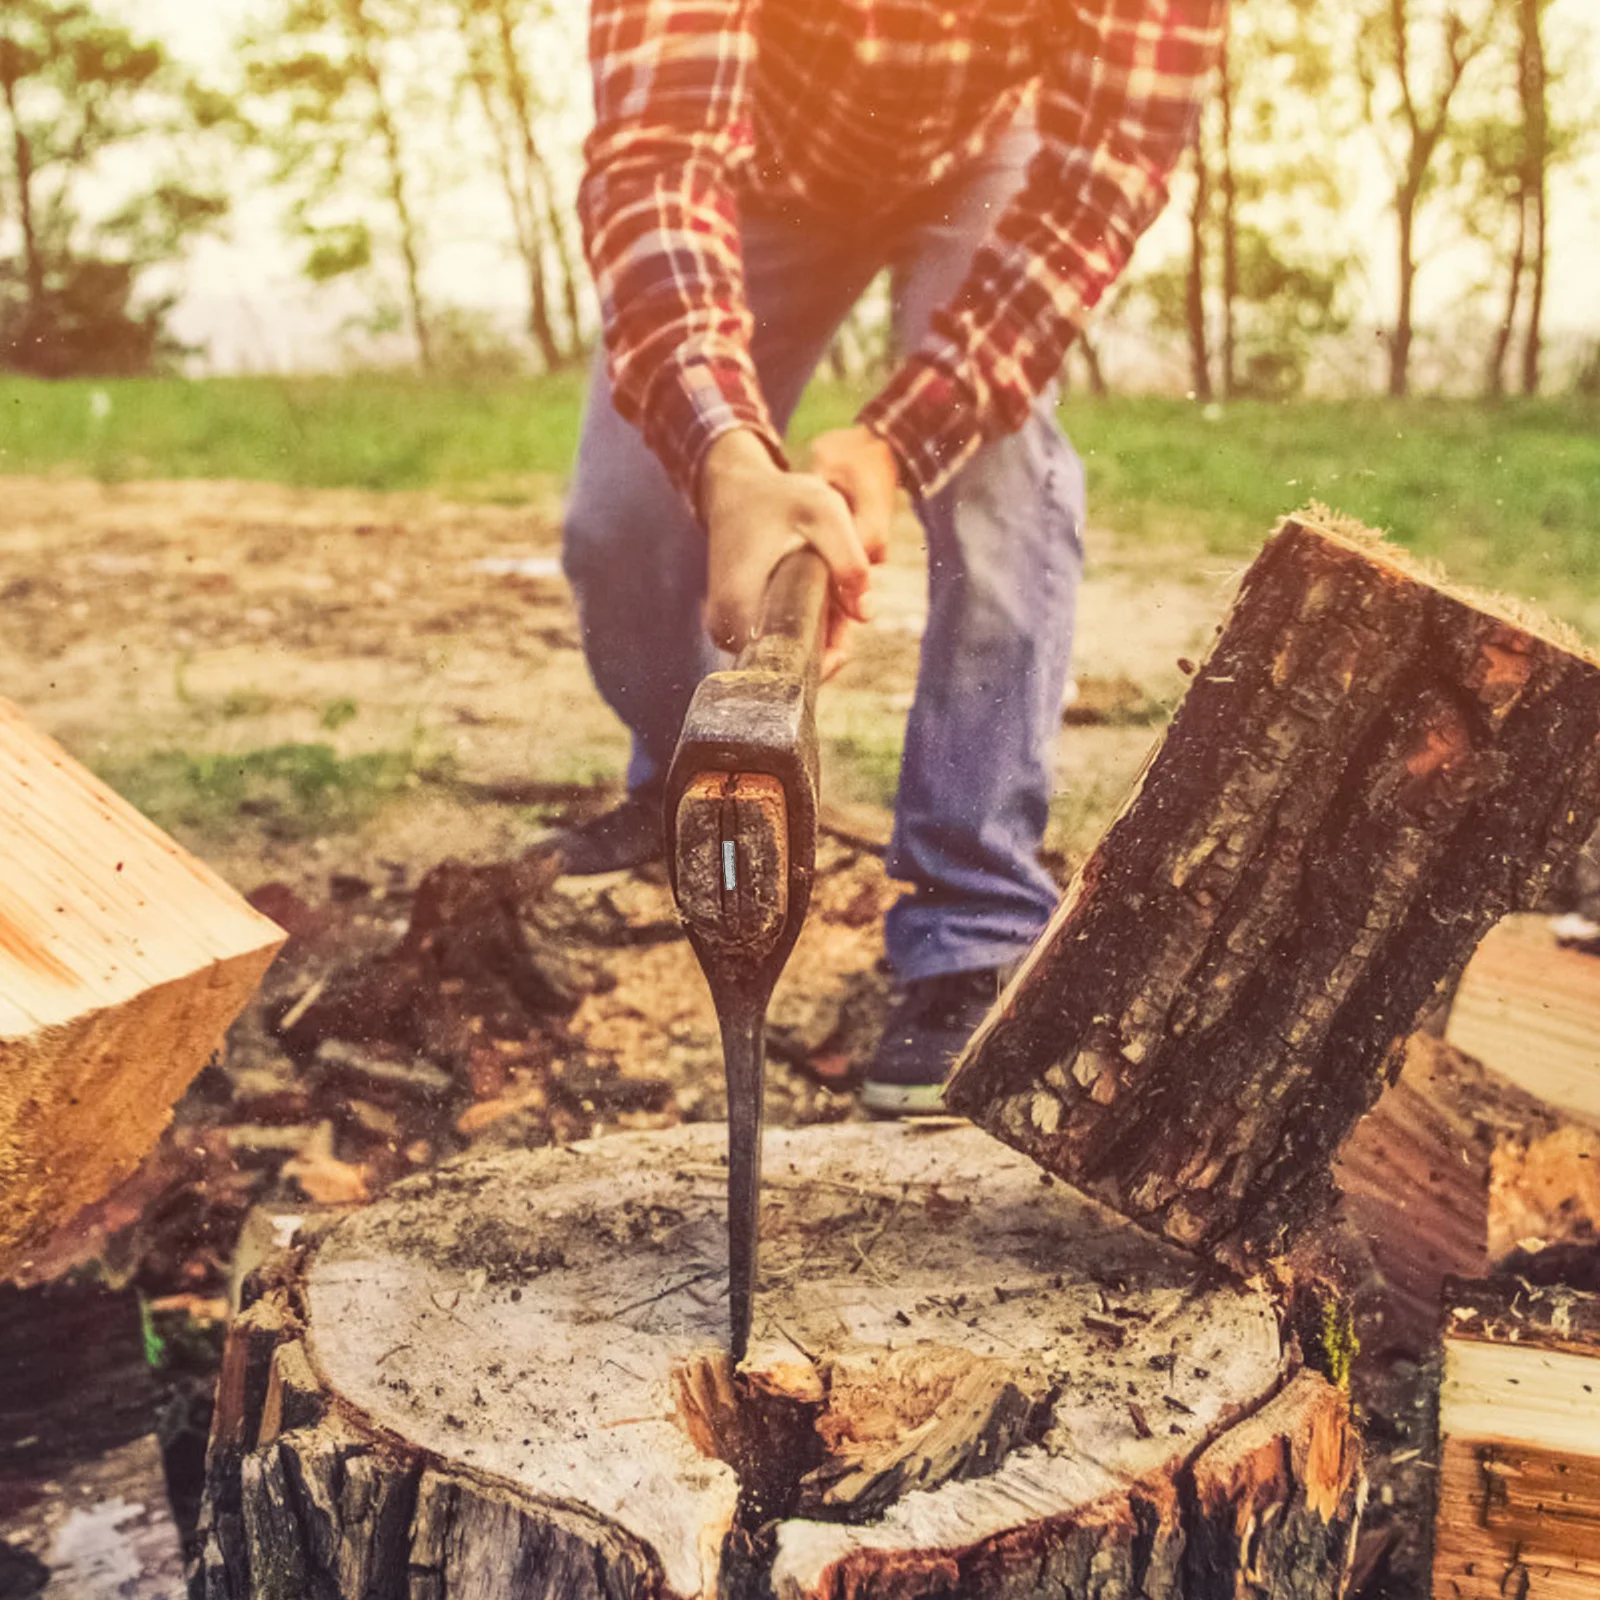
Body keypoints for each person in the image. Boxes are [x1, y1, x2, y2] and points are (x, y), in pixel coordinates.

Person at [557, 0, 1226, 1113]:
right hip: (750, 157)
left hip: (983, 163)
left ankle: (972, 913)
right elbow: (657, 153)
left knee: (1003, 492)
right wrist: (726, 458)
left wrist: (897, 441)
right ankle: (697, 778)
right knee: (620, 520)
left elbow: (1103, 173)